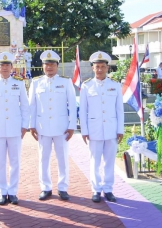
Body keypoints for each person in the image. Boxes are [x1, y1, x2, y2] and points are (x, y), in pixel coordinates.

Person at [29, 50, 77, 201]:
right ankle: (46, 187)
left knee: (62, 158)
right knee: (44, 158)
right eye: (46, 64)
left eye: (52, 64)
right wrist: (32, 125)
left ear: (57, 65)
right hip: (42, 127)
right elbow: (32, 106)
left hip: (61, 127)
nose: (49, 67)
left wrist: (72, 126)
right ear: (42, 66)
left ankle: (63, 188)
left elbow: (73, 105)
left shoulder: (65, 82)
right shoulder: (36, 82)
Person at [0, 52, 30, 205]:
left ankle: (13, 192)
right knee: (0, 162)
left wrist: (24, 126)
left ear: (11, 67)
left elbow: (25, 106)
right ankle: (2, 192)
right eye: (1, 65)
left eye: (7, 65)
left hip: (15, 128)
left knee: (15, 161)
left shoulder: (19, 83)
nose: (4, 68)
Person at [79, 51, 124, 203]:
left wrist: (120, 129)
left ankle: (109, 189)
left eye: (102, 66)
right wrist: (84, 131)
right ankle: (96, 189)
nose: (99, 69)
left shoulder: (115, 85)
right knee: (95, 160)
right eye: (97, 67)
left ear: (107, 68)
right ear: (92, 68)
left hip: (111, 128)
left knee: (109, 161)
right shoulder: (86, 86)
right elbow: (83, 111)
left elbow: (119, 109)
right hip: (94, 129)